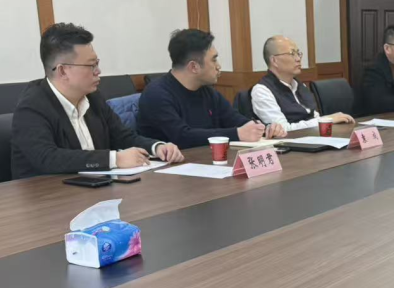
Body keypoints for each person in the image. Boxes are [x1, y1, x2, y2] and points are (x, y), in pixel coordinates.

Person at [11, 23, 184, 179]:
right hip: (45, 197)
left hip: (93, 189)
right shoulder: (32, 106)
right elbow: (47, 158)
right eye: (91, 65)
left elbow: (122, 137)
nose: (98, 71)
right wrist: (114, 159)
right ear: (62, 71)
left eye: (97, 63)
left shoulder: (93, 97)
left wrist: (156, 147)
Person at [138, 29, 286, 149]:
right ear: (194, 67)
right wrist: (237, 134)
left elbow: (236, 120)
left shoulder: (208, 92)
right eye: (214, 59)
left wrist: (264, 128)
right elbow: (182, 137)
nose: (218, 66)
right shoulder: (157, 94)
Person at [251, 36, 354, 130]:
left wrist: (326, 120)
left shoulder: (300, 85)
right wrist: (327, 120)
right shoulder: (262, 91)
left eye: (298, 53)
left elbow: (314, 116)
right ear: (274, 61)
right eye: (292, 54)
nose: (298, 59)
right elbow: (284, 129)